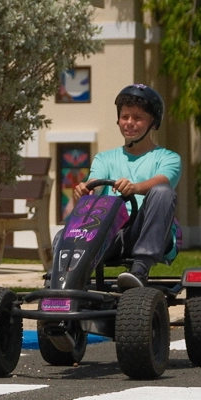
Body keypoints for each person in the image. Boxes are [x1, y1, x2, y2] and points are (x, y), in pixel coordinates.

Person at [63, 84, 181, 289]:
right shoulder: (105, 158)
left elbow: (163, 181)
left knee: (162, 192)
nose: (129, 123)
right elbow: (96, 184)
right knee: (61, 237)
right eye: (125, 117)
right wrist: (84, 189)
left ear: (153, 123)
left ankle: (141, 268)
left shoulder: (168, 158)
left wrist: (134, 188)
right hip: (112, 232)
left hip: (150, 231)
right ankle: (67, 285)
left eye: (138, 118)